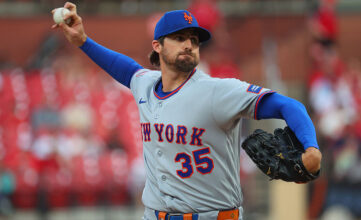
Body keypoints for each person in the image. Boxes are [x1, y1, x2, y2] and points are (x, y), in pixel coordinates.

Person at [52, 2, 322, 220]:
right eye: (179, 38)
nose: (189, 45)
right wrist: (83, 41)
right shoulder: (144, 84)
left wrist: (311, 148)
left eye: (194, 39)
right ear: (157, 46)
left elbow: (290, 106)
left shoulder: (218, 91)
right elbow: (122, 67)